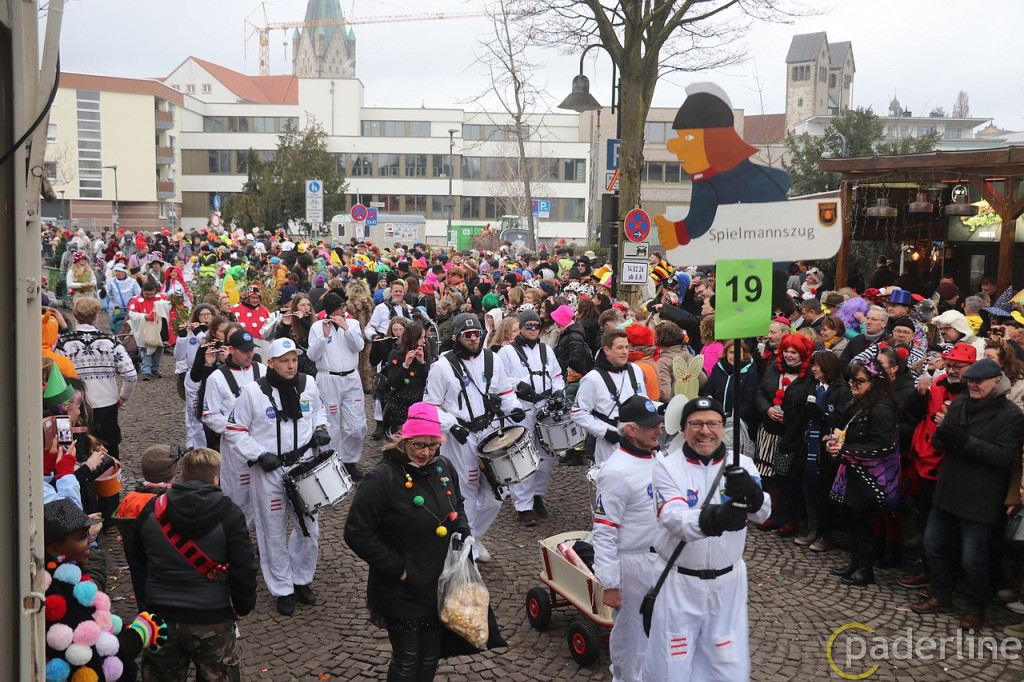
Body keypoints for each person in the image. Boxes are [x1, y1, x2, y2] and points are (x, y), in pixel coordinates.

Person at [642, 396, 770, 681]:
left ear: (723, 428)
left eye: (713, 423)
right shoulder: (666, 467)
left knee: (726, 668)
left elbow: (763, 514)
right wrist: (719, 517)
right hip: (679, 584)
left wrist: (752, 493)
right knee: (671, 669)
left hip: (727, 586)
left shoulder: (743, 464)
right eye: (696, 424)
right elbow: (675, 519)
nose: (705, 431)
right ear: (684, 430)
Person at [344, 403, 471, 682]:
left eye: (433, 445)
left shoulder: (444, 467)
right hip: (402, 585)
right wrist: (396, 567)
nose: (426, 452)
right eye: (418, 445)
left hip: (437, 582)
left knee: (430, 655)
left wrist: (462, 530)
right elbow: (356, 531)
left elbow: (458, 505)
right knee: (407, 657)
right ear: (403, 440)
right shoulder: (382, 477)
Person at [910, 358, 1024, 629]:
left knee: (973, 558)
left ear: (996, 382)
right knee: (933, 544)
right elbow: (939, 443)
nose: (972, 385)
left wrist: (962, 439)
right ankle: (941, 594)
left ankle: (976, 608)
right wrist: (943, 434)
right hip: (948, 489)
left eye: (978, 381)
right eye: (969, 380)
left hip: (981, 496)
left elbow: (1002, 456)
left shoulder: (1011, 415)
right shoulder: (960, 402)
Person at [225, 337, 330, 616]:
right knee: (272, 531)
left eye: (294, 360)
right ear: (270, 363)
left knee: (310, 528)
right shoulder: (252, 392)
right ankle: (282, 587)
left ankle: (301, 578)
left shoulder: (308, 383)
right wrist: (259, 454)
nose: (291, 365)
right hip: (269, 470)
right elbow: (234, 430)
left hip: (304, 468)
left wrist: (320, 428)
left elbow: (318, 411)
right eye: (284, 361)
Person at [133, 448, 258, 680]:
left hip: (161, 617)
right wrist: (243, 606)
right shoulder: (230, 514)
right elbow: (244, 566)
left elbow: (138, 557)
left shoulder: (152, 509)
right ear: (215, 478)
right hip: (212, 617)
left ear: (182, 475)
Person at [423, 313, 524, 562]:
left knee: (496, 495)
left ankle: (473, 536)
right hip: (461, 437)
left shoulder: (492, 359)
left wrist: (514, 407)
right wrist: (451, 425)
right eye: (467, 335)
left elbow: (505, 392)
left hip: (490, 433)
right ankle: (463, 551)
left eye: (477, 334)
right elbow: (430, 406)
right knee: (465, 494)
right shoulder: (442, 367)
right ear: (456, 337)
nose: (473, 339)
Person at [44, 498, 167, 682]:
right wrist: (138, 634)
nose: (91, 540)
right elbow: (95, 662)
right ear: (54, 549)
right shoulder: (62, 597)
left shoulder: (60, 577)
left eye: (88, 533)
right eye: (82, 537)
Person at [592, 395, 662, 682]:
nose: (659, 429)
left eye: (658, 423)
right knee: (631, 636)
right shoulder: (616, 472)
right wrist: (610, 584)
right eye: (651, 425)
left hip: (660, 560)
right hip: (633, 565)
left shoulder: (658, 458)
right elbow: (604, 532)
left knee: (658, 632)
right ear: (631, 430)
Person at [897, 342, 976, 591]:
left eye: (958, 367)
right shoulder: (938, 383)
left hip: (950, 469)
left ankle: (943, 579)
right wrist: (920, 394)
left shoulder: (973, 393)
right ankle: (928, 571)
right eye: (948, 365)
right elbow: (911, 414)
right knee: (925, 521)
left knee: (946, 529)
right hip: (924, 462)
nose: (951, 370)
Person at [826, 359, 900, 586]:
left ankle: (865, 569)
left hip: (871, 475)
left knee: (864, 522)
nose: (853, 385)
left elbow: (883, 445)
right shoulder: (858, 401)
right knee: (853, 519)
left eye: (859, 381)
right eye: (851, 380)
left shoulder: (882, 407)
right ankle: (855, 563)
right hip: (854, 469)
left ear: (874, 382)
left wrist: (845, 450)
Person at [497, 309, 565, 526]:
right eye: (529, 326)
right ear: (521, 327)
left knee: (546, 456)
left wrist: (558, 392)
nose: (533, 329)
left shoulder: (546, 350)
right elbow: (500, 379)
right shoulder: (507, 352)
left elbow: (556, 375)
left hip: (545, 406)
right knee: (522, 456)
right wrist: (518, 386)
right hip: (522, 408)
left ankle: (537, 495)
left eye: (537, 326)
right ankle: (523, 505)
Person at [56, 297, 136, 460]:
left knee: (79, 451)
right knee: (110, 450)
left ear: (76, 315)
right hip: (106, 404)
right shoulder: (110, 340)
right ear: (96, 316)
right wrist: (123, 396)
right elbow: (130, 374)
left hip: (76, 406)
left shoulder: (63, 343)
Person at [201, 329, 266, 526]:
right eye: (244, 351)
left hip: (263, 442)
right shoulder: (217, 378)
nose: (250, 354)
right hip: (235, 448)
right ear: (231, 350)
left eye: (251, 350)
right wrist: (236, 429)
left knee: (265, 494)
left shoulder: (262, 370)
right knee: (238, 496)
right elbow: (209, 415)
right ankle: (238, 533)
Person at [308, 291, 367, 481]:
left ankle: (350, 460)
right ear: (331, 310)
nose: (344, 311)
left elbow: (359, 346)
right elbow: (312, 355)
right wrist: (324, 337)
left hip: (351, 378)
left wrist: (346, 328)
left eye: (344, 307)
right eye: (340, 308)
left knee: (357, 426)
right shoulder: (317, 327)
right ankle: (332, 463)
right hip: (328, 379)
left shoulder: (353, 324)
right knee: (331, 425)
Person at [572, 329, 648, 465]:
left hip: (639, 436)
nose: (625, 352)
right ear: (607, 350)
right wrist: (605, 432)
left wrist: (661, 408)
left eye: (626, 347)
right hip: (611, 442)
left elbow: (644, 401)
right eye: (620, 348)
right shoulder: (592, 379)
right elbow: (578, 413)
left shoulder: (635, 370)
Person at [381, 322, 434, 438]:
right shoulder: (395, 353)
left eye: (424, 337)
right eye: (421, 338)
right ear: (413, 338)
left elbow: (430, 380)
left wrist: (422, 363)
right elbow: (393, 382)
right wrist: (405, 365)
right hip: (400, 404)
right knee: (402, 437)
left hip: (420, 402)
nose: (424, 341)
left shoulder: (425, 352)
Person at [127, 281, 171, 380]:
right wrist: (142, 316)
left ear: (155, 291)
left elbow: (169, 306)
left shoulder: (161, 298)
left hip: (158, 328)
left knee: (158, 349)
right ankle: (146, 370)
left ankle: (155, 369)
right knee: (146, 350)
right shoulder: (136, 300)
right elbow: (132, 314)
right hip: (144, 329)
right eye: (147, 294)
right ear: (142, 291)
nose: (150, 296)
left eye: (152, 294)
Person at [104, 262, 141, 334]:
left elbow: (139, 294)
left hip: (129, 309)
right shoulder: (112, 282)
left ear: (124, 272)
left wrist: (132, 300)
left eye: (119, 271)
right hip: (116, 309)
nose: (117, 273)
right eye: (116, 271)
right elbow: (106, 291)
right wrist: (103, 292)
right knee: (117, 326)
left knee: (129, 327)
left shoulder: (132, 281)